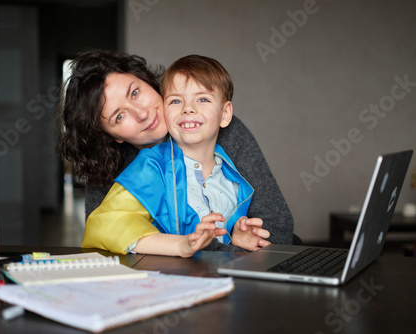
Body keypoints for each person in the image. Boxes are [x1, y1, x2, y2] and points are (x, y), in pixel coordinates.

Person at [59, 49, 295, 253]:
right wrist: (191, 247)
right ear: (111, 137)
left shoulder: (216, 128)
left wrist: (238, 237)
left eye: (135, 92)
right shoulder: (143, 168)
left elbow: (276, 223)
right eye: (119, 116)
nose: (141, 113)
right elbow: (107, 236)